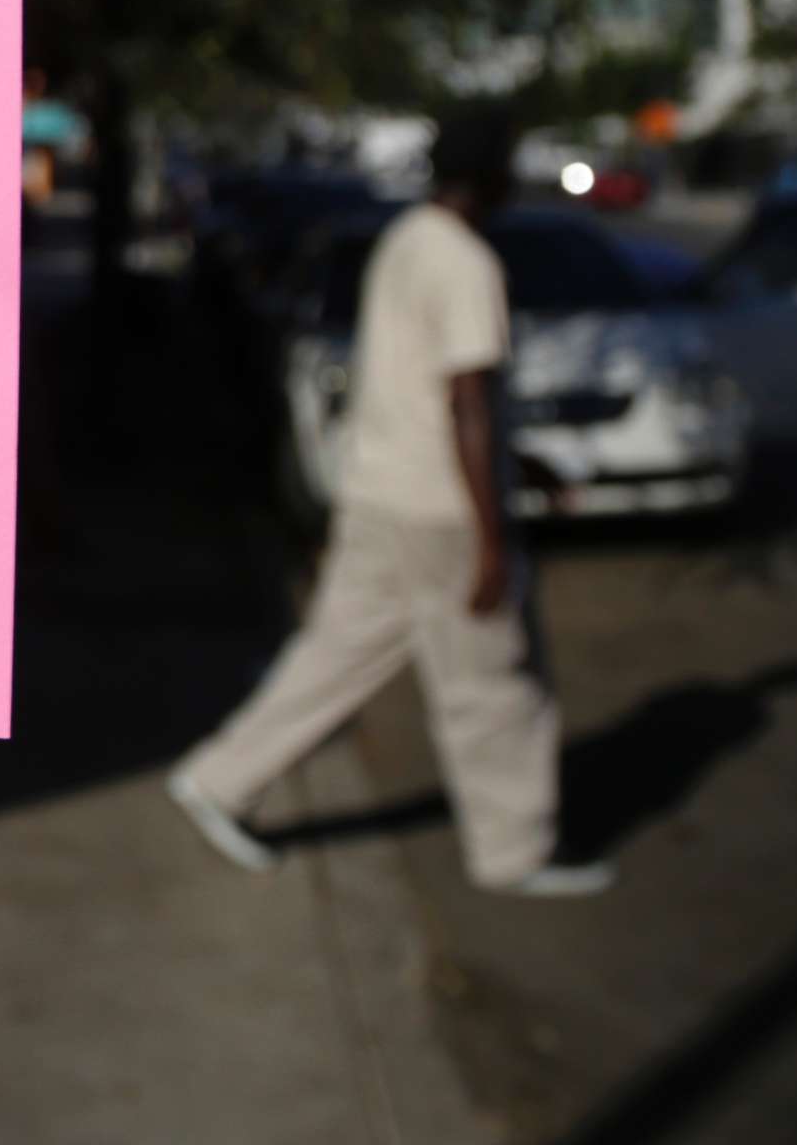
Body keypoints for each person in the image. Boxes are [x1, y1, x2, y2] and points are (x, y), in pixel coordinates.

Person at [167, 109, 613, 897]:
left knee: (336, 655)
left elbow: (426, 386)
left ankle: (219, 779)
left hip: (378, 493)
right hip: (441, 514)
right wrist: (491, 542)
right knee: (494, 686)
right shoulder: (469, 263)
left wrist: (522, 462)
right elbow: (466, 398)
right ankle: (514, 852)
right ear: (491, 176)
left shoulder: (406, 241)